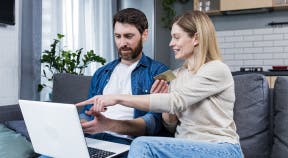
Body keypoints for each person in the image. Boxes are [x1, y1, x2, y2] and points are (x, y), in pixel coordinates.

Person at [76, 11, 244, 158]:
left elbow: (176, 100)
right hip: (182, 148)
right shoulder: (175, 75)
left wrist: (118, 98)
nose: (171, 43)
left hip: (220, 148)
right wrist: (164, 105)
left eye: (176, 37)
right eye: (117, 36)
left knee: (142, 144)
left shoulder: (216, 69)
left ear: (196, 38)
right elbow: (170, 125)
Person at [79, 7, 168, 147]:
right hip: (92, 139)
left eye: (128, 36)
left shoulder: (159, 72)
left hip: (125, 143)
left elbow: (154, 124)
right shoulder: (102, 72)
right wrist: (80, 123)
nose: (122, 43)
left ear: (144, 35)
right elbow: (87, 113)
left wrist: (109, 125)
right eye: (118, 36)